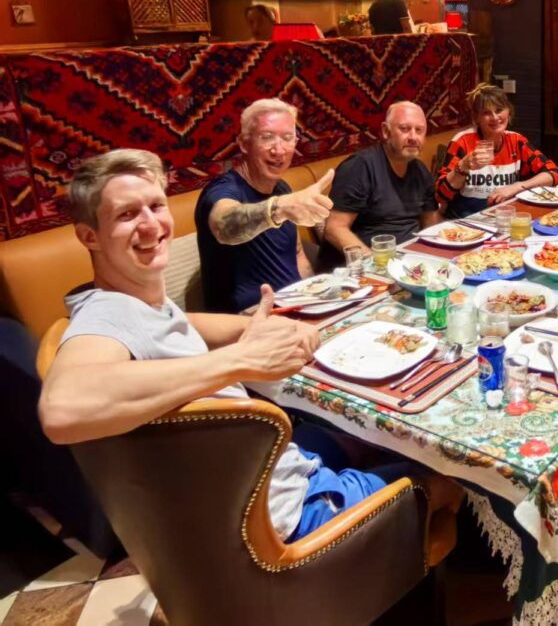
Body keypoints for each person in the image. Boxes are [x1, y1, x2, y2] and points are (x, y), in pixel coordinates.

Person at [38, 149, 450, 543]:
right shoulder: (107, 314)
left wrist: (253, 327)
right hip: (291, 516)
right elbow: (62, 407)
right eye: (127, 215)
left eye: (156, 206)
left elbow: (177, 323)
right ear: (89, 236)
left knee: (359, 433)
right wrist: (238, 360)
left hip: (254, 475)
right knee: (447, 470)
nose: (150, 225)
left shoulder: (134, 302)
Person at [196, 99, 334, 313]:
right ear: (244, 143)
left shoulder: (282, 188)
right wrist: (279, 209)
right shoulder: (222, 190)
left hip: (295, 307)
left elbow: (297, 254)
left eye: (287, 138)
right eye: (267, 137)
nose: (278, 150)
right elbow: (224, 226)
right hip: (247, 319)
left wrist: (317, 300)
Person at [320, 101, 441, 267]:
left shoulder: (420, 170)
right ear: (385, 131)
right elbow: (334, 229)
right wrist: (376, 264)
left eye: (419, 130)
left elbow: (431, 224)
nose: (413, 137)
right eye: (404, 129)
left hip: (409, 261)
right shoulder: (359, 167)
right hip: (363, 266)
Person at [436, 83, 558, 218]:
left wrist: (516, 186)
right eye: (486, 113)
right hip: (466, 220)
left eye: (499, 110)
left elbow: (553, 175)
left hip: (504, 218)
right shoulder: (462, 141)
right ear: (477, 117)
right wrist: (463, 167)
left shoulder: (517, 141)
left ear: (509, 111)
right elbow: (440, 195)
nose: (495, 117)